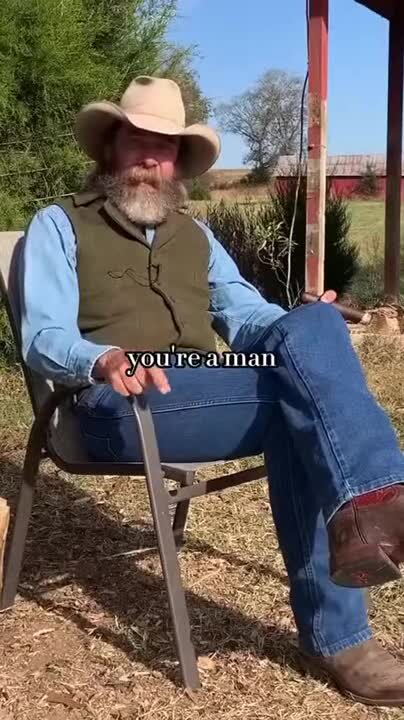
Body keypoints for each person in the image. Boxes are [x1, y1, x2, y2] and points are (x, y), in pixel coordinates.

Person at [19, 75, 404, 707]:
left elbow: (247, 316)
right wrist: (102, 357)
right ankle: (358, 574)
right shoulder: (59, 225)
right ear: (110, 148)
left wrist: (304, 324)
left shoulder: (195, 235)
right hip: (115, 401)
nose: (151, 158)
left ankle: (367, 517)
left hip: (204, 388)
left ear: (179, 161)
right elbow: (43, 335)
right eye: (138, 141)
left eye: (165, 146)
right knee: (302, 404)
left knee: (311, 329)